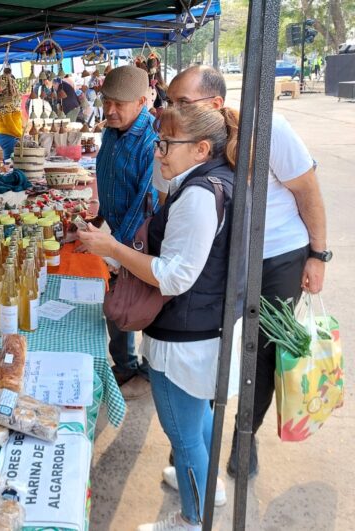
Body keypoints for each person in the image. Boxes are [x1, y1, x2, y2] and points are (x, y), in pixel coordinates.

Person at [79, 104, 240, 531]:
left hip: (184, 334)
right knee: (198, 418)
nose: (159, 153)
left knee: (183, 433)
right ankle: (209, 489)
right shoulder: (211, 180)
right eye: (158, 143)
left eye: (167, 144)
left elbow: (174, 277)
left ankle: (192, 519)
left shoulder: (200, 195)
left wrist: (113, 250)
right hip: (201, 325)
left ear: (201, 148)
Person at [164, 65, 329, 478]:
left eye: (182, 102)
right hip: (220, 256)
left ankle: (244, 434)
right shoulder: (186, 139)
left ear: (215, 103)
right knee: (209, 339)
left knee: (261, 349)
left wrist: (318, 255)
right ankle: (198, 433)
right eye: (169, 101)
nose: (172, 109)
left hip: (277, 257)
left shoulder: (268, 127)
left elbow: (308, 191)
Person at [94, 64, 159, 398]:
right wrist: (97, 219)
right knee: (116, 301)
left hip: (142, 238)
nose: (110, 110)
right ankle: (124, 363)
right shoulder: (111, 131)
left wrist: (118, 249)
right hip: (116, 232)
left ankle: (149, 367)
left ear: (142, 102)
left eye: (119, 104)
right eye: (107, 102)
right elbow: (107, 178)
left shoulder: (150, 141)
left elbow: (144, 202)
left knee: (144, 304)